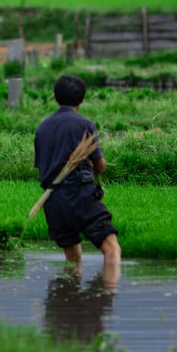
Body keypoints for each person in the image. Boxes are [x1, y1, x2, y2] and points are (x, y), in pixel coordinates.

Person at [34, 74, 121, 287]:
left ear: (56, 97)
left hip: (53, 201)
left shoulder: (43, 127)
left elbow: (42, 166)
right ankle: (107, 294)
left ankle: (69, 305)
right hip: (80, 195)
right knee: (111, 248)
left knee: (73, 261)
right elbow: (100, 166)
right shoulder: (85, 124)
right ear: (81, 100)